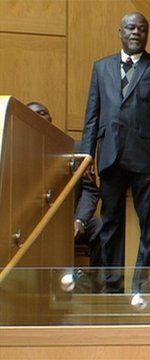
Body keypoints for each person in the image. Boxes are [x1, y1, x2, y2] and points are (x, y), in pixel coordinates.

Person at [80, 12, 150, 293]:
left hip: (148, 158)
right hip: (110, 155)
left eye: (142, 29)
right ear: (120, 31)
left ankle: (141, 289)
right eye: (131, 28)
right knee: (109, 223)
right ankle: (112, 287)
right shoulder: (101, 68)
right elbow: (92, 116)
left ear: (147, 35)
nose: (137, 32)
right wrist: (88, 155)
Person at [30, 101, 102, 289]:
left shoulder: (76, 150)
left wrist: (79, 220)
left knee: (101, 227)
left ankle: (96, 284)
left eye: (42, 112)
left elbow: (90, 189)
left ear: (51, 119)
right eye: (32, 114)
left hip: (73, 221)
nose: (38, 117)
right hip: (36, 224)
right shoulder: (19, 154)